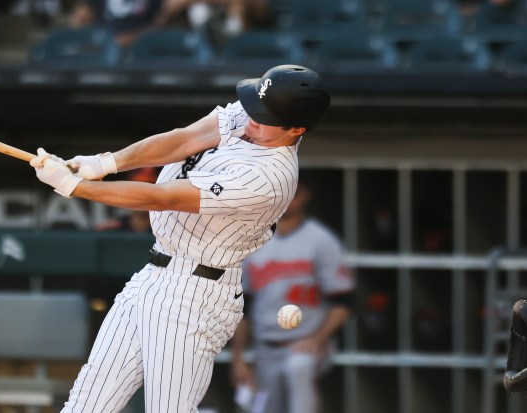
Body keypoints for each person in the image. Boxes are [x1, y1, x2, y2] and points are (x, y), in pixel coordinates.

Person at [30, 64, 331, 413]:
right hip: (152, 275)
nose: (251, 117)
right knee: (86, 405)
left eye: (264, 117)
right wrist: (105, 163)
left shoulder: (268, 178)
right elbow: (184, 139)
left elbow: (163, 197)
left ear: (296, 129)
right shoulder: (254, 115)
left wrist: (77, 187)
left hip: (197, 295)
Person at [229, 179, 355, 413]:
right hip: (266, 346)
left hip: (307, 343)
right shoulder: (253, 240)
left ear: (305, 195)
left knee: (298, 368)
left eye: (293, 193)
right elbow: (242, 307)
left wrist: (317, 339)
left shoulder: (321, 240)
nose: (287, 200)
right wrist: (238, 358)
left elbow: (343, 301)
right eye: (282, 193)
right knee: (263, 407)